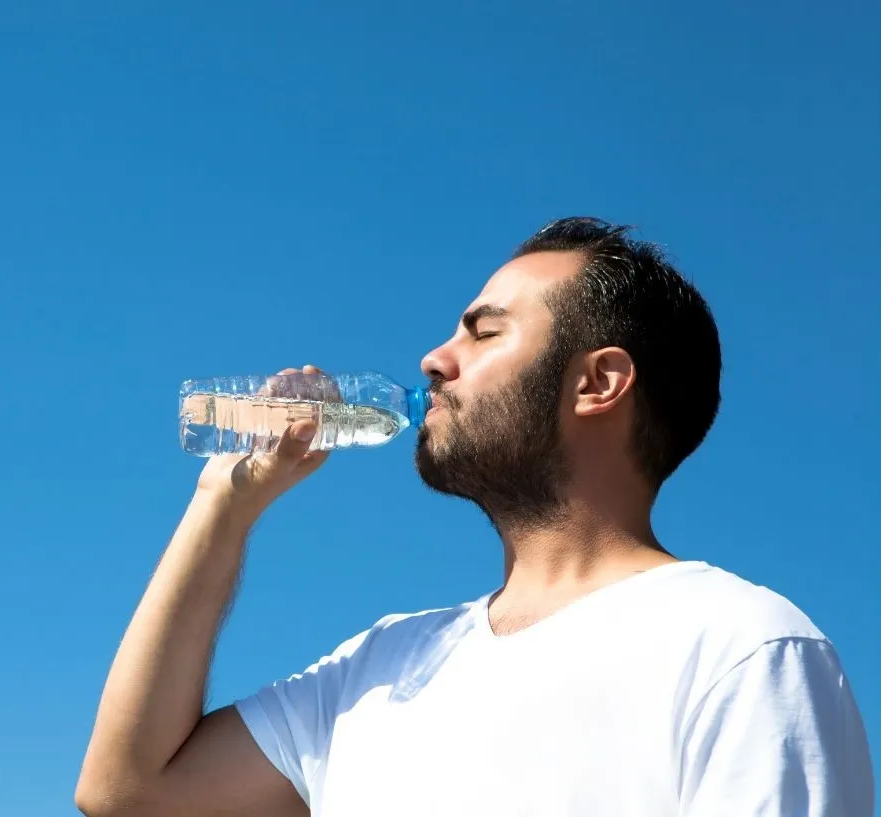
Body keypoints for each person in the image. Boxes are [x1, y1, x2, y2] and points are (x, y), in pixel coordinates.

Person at [74, 217, 874, 816]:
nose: (434, 358)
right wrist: (225, 503)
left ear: (598, 383)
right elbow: (127, 791)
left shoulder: (742, 649)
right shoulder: (380, 664)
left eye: (483, 331)